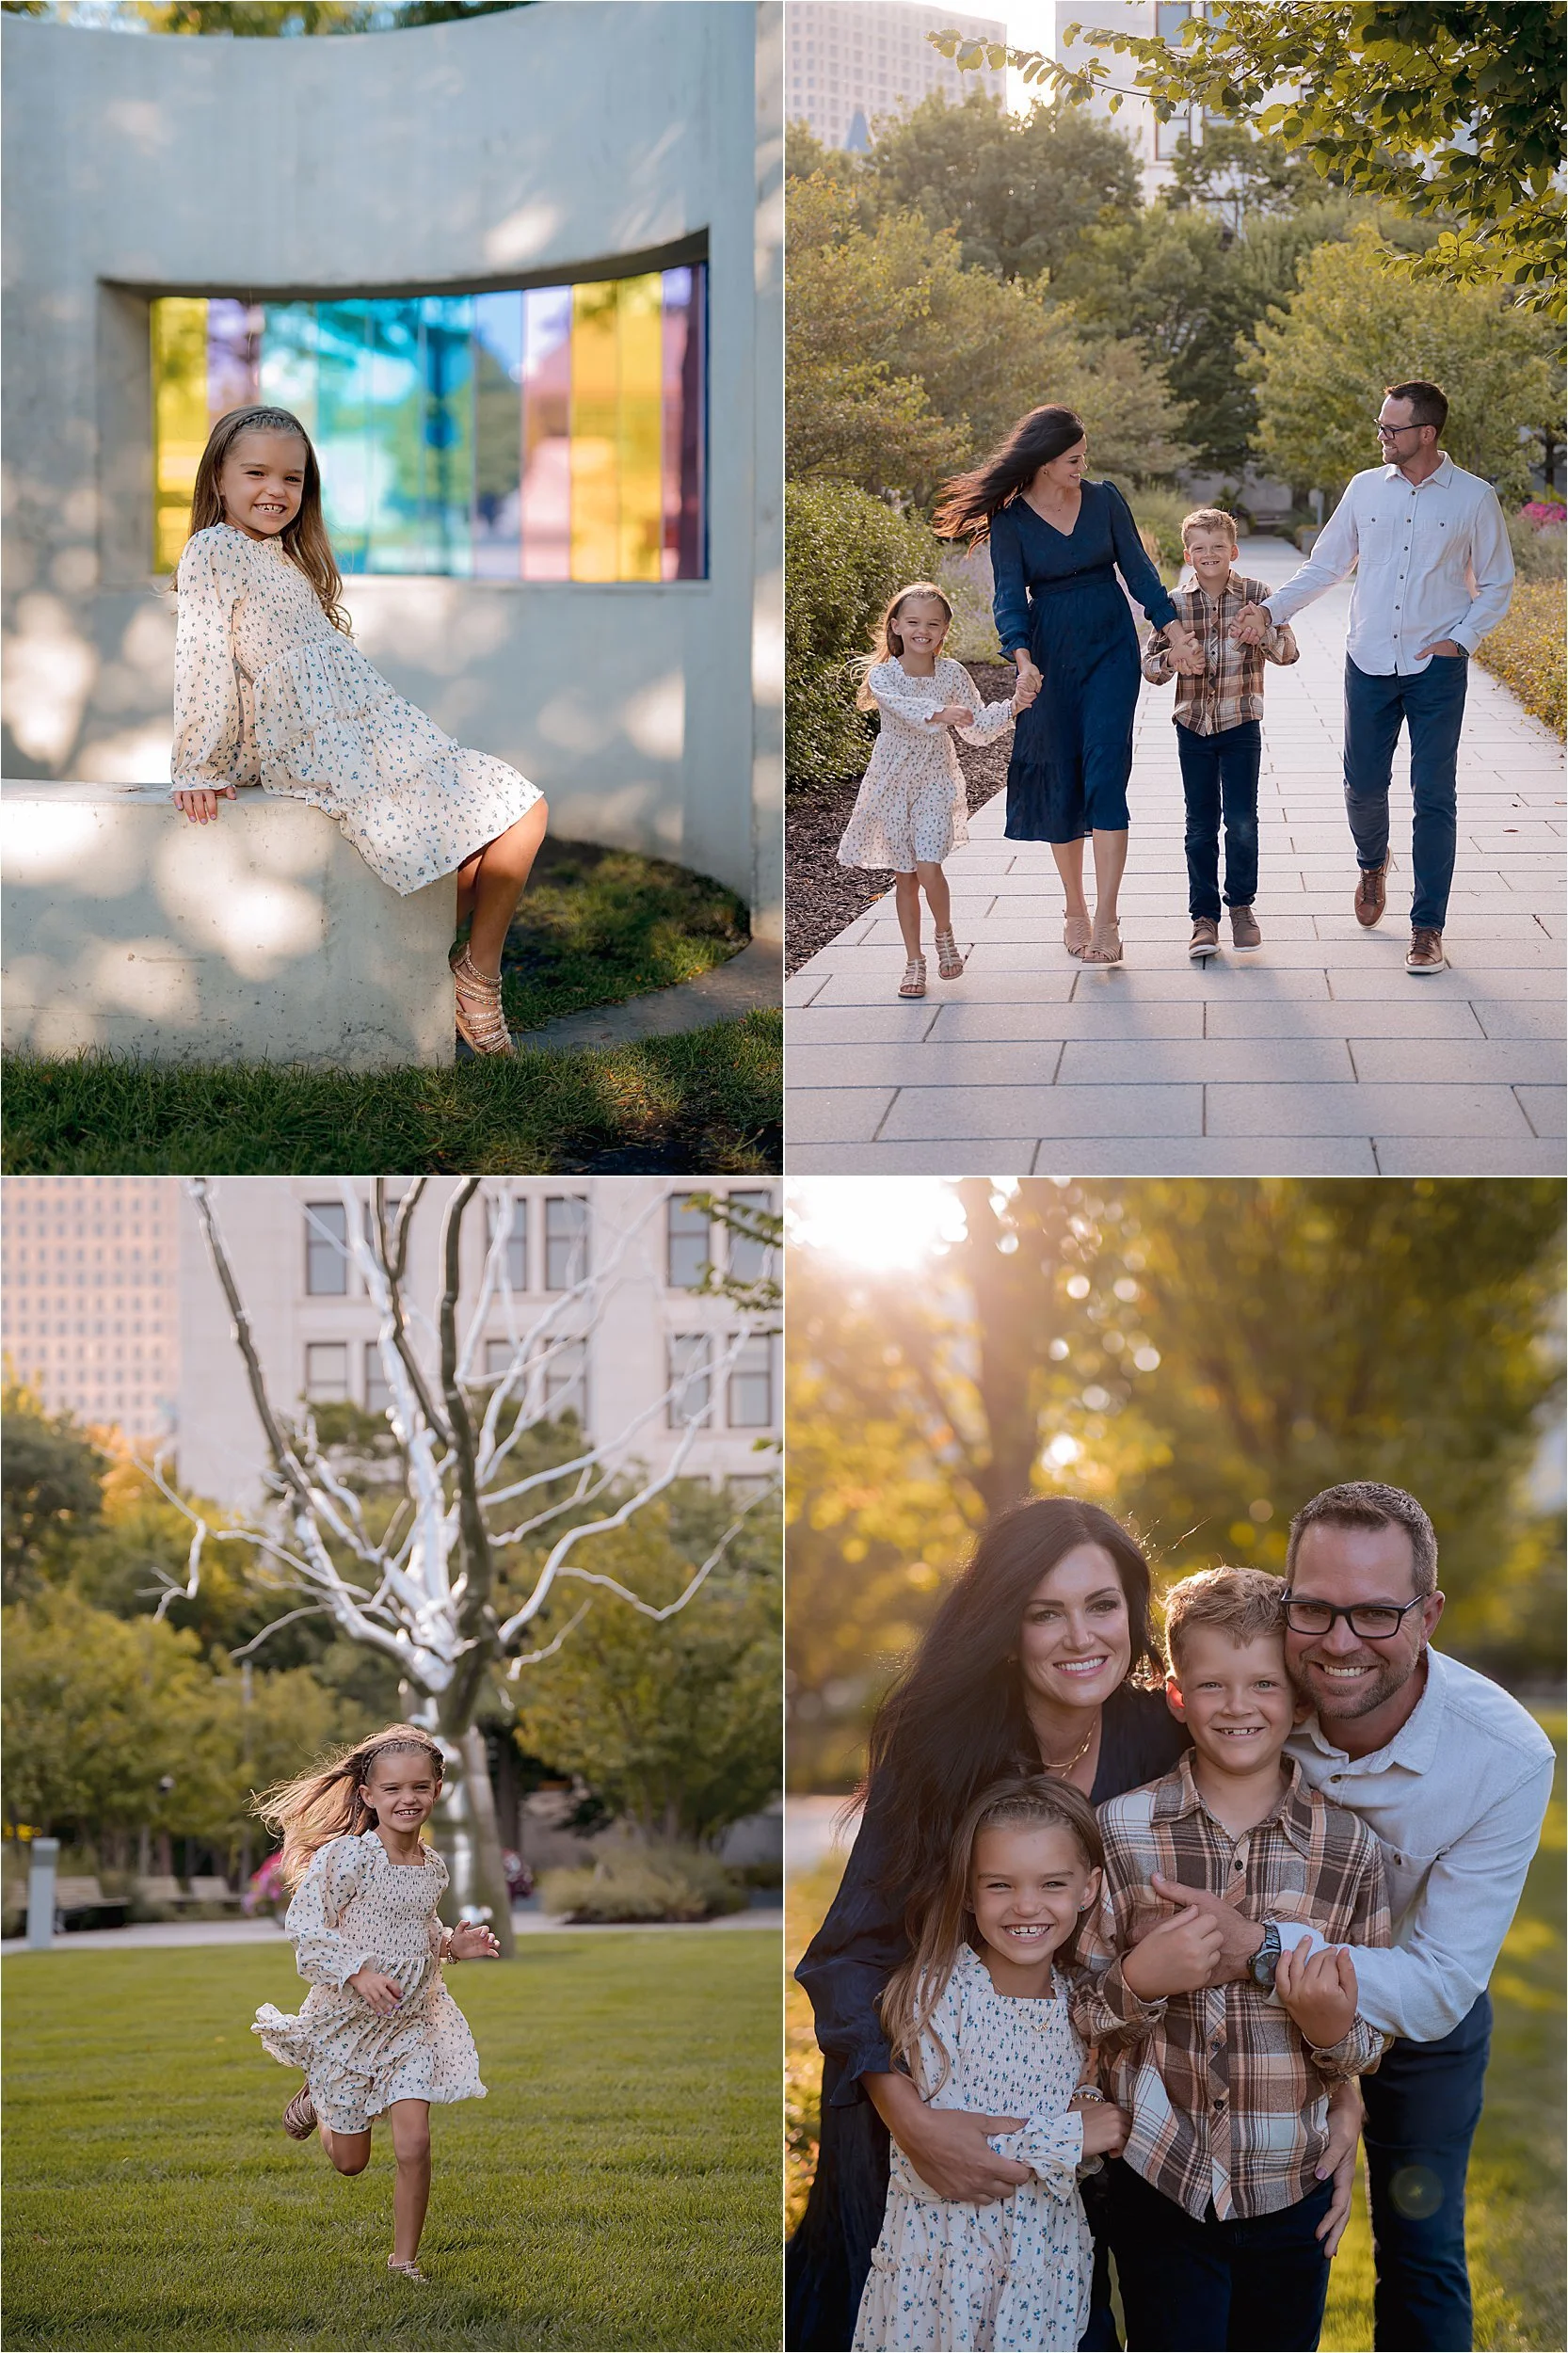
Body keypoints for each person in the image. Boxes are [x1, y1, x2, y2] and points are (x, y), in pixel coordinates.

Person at [787, 1496, 1363, 2352]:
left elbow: (1273, 1888)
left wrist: (1338, 2091)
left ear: (1133, 1616)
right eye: (1043, 1612)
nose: (1079, 1637)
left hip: (1090, 2119)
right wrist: (916, 2123)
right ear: (1006, 1627)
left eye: (1100, 1606)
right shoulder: (940, 1746)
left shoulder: (1161, 1735)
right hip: (936, 2099)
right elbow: (850, 1955)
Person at [1141, 1484, 1556, 2352]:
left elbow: (1440, 1982)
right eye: (1316, 1609)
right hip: (1247, 2032)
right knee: (1225, 2241)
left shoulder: (1506, 1758)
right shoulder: (1255, 1688)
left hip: (1413, 2004)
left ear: (1430, 1613)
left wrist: (1261, 1951)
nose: (1339, 1643)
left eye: (1376, 1614)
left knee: (1423, 2245)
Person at [168, 404, 550, 1056]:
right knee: (483, 831)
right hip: (325, 743)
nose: (275, 490)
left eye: (292, 479)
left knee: (516, 814)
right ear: (218, 483)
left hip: (374, 725)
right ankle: (461, 983)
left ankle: (464, 973)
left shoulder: (284, 558)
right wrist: (201, 766)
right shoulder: (214, 550)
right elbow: (206, 660)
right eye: (256, 473)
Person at [1080, 1568, 1391, 2353]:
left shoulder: (1348, 1851)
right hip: (1160, 2180)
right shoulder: (1121, 1833)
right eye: (1212, 1684)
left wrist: (1331, 2032)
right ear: (1176, 1695)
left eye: (1263, 1684)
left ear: (1302, 1696)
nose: (1239, 1705)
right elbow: (1075, 2007)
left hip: (1292, 2186)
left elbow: (1369, 2039)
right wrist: (1139, 1980)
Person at [1231, 380, 1513, 975]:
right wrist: (1270, 610)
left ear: (1427, 433)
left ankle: (1427, 927)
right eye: (1380, 427)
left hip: (1437, 667)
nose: (1381, 437)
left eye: (1392, 429)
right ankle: (1371, 861)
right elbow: (1327, 565)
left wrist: (1460, 640)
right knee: (1363, 784)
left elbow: (1496, 583)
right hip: (1369, 662)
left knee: (1435, 796)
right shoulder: (1364, 490)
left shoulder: (1473, 498)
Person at [853, 1779, 1131, 2352]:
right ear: (968, 1893)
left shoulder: (1079, 2006)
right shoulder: (937, 1996)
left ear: (1089, 1889)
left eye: (1052, 1884)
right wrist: (1071, 2135)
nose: (1026, 1906)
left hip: (1044, 2273)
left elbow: (1067, 2170)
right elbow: (934, 2160)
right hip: (943, 2275)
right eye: (999, 1885)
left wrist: (1085, 2122)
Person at [934, 408, 1202, 968]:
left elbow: (1143, 575)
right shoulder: (1010, 519)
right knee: (1061, 775)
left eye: (1084, 457)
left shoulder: (1105, 500)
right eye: (1073, 458)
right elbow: (1008, 596)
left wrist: (1174, 634)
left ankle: (1107, 920)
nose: (1084, 465)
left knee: (1106, 774)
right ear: (1044, 461)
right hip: (1050, 654)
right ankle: (1074, 909)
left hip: (1109, 647)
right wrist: (1022, 661)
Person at [251, 1723, 500, 2282]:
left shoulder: (431, 1866)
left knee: (414, 2143)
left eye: (418, 1787)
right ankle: (320, 2089)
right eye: (392, 1790)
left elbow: (420, 1931)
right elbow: (305, 1925)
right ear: (368, 1795)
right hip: (346, 2023)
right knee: (350, 2162)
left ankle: (404, 2262)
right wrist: (356, 1971)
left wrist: (451, 1945)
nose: (406, 1799)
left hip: (414, 2021)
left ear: (437, 1789)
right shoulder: (347, 1858)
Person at [838, 584, 1035, 1000]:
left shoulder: (952, 674)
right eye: (912, 622)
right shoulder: (884, 675)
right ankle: (914, 961)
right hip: (891, 784)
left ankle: (944, 935)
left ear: (944, 630)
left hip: (935, 781)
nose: (921, 630)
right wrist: (940, 712)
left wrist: (1014, 705)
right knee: (905, 878)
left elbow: (977, 728)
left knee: (929, 867)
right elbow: (903, 709)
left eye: (932, 623)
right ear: (896, 626)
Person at [1142, 509, 1300, 961]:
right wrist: (1173, 660)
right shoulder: (1173, 604)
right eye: (1199, 547)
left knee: (1243, 821)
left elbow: (1289, 653)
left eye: (1217, 546)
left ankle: (1242, 907)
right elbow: (1149, 667)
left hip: (1241, 724)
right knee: (1199, 825)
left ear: (1233, 551)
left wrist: (1261, 633)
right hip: (1192, 727)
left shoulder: (1257, 595)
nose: (1208, 554)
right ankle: (1203, 918)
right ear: (1187, 554)